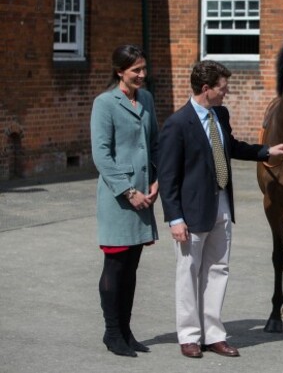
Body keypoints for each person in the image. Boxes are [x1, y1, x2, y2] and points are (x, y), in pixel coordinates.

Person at [157, 60, 283, 359]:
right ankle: (190, 336)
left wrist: (266, 152)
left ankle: (214, 334)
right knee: (189, 273)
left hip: (221, 203)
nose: (226, 92)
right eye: (222, 88)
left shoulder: (221, 114)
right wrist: (174, 218)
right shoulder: (177, 124)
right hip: (191, 212)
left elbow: (230, 146)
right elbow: (167, 177)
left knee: (218, 269)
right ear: (206, 89)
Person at [90, 44, 159, 357]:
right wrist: (129, 191)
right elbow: (101, 155)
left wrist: (157, 180)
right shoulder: (104, 104)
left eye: (144, 69)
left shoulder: (146, 98)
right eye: (136, 71)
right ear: (120, 71)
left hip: (144, 196)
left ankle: (127, 331)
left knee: (131, 267)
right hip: (120, 199)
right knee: (115, 265)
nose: (143, 75)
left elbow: (154, 144)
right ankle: (112, 332)